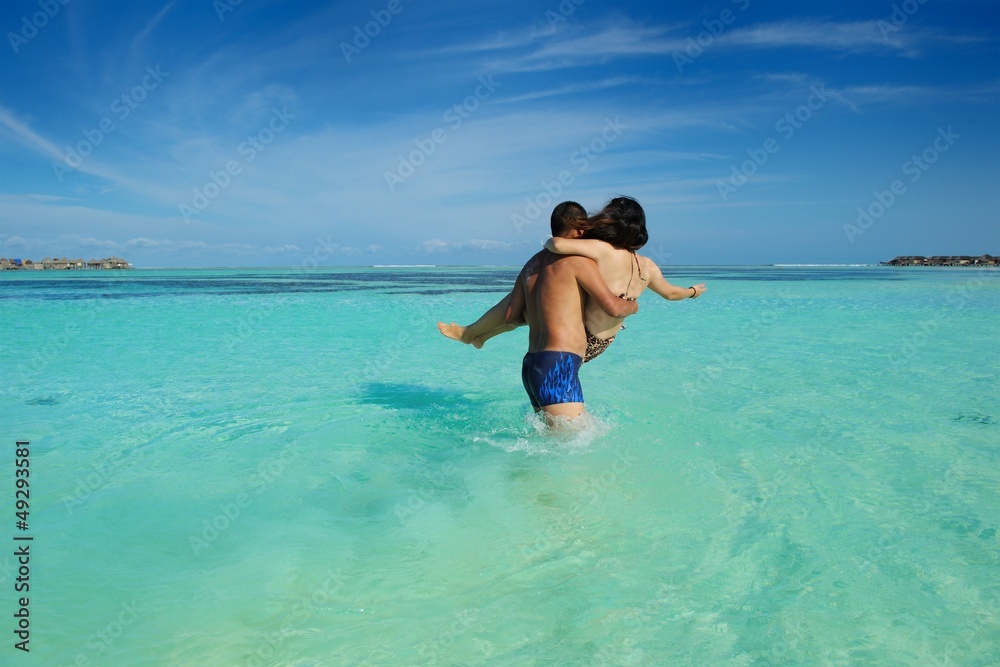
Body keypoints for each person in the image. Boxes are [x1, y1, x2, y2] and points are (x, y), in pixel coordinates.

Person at [543, 196, 706, 362]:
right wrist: (693, 292)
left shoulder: (602, 249)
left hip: (579, 338)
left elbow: (557, 245)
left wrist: (547, 242)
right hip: (602, 343)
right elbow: (671, 293)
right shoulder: (648, 266)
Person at [503, 230, 638, 422]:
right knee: (574, 445)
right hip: (558, 364)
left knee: (550, 444)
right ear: (578, 230)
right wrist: (633, 305)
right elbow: (614, 308)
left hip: (531, 364)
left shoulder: (531, 264)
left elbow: (510, 317)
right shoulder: (578, 262)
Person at [437, 201, 589, 348]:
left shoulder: (541, 260)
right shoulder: (583, 256)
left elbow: (511, 315)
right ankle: (479, 336)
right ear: (580, 228)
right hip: (575, 337)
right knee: (526, 304)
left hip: (578, 339)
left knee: (521, 303)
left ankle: (472, 333)